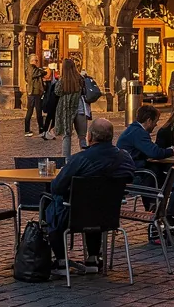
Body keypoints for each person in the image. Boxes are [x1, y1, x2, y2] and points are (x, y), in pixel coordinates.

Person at [45, 117, 137, 275]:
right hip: (108, 215)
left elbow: (57, 187)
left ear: (90, 136)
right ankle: (93, 258)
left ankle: (61, 261)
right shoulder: (125, 158)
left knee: (53, 205)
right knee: (95, 205)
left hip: (75, 216)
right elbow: (130, 177)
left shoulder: (80, 159)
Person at [117, 105, 174, 237]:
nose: (156, 125)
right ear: (149, 121)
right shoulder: (138, 133)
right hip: (136, 174)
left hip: (142, 171)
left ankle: (164, 217)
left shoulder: (134, 130)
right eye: (155, 121)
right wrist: (172, 150)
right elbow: (154, 152)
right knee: (172, 183)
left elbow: (151, 150)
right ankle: (158, 219)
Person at [53, 59, 85, 159]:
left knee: (66, 136)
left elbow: (57, 92)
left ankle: (66, 160)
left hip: (66, 110)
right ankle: (85, 159)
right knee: (82, 136)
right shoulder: (80, 78)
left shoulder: (62, 80)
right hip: (79, 108)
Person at [20, 58, 44, 137]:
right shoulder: (32, 69)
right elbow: (42, 73)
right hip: (34, 92)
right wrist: (40, 70)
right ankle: (40, 130)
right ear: (31, 61)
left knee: (32, 111)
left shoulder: (30, 69)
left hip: (33, 92)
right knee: (36, 111)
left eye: (37, 60)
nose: (36, 62)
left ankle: (28, 130)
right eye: (35, 60)